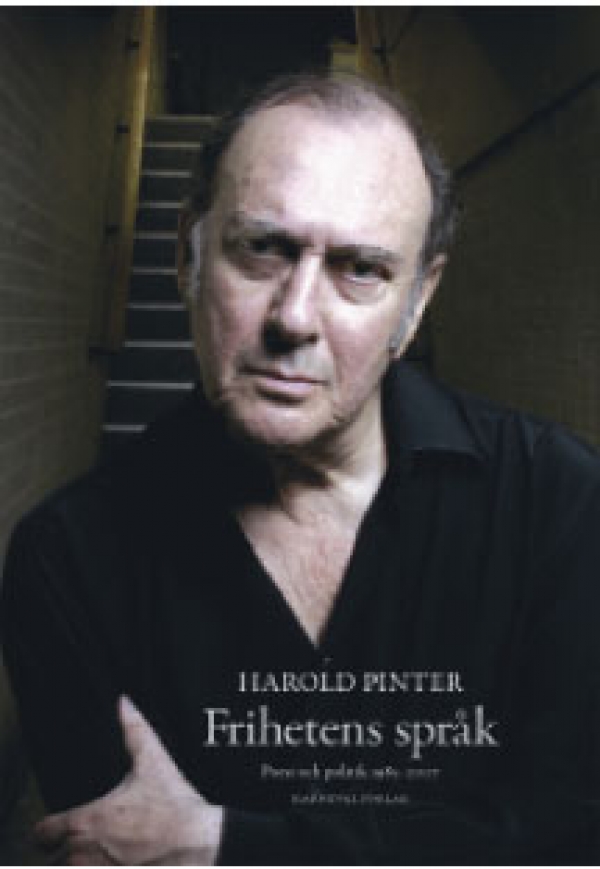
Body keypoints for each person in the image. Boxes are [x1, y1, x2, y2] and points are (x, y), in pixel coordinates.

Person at [2, 72, 600, 866]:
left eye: (361, 269)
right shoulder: (67, 558)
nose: (293, 317)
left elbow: (569, 839)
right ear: (187, 253)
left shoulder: (559, 503)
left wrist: (231, 845)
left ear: (418, 300)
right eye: (262, 248)